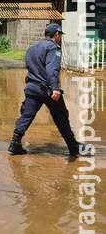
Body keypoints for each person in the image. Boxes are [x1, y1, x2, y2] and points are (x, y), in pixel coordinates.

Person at [8, 23, 83, 156]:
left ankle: (15, 143)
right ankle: (73, 147)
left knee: (26, 115)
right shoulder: (54, 48)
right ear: (56, 35)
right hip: (47, 90)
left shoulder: (32, 48)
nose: (60, 38)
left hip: (32, 88)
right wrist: (55, 88)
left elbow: (29, 66)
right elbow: (52, 69)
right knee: (61, 116)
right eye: (60, 35)